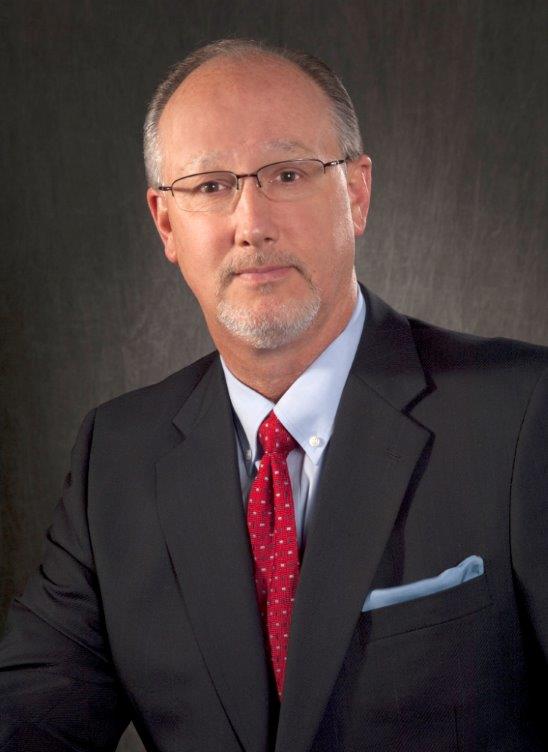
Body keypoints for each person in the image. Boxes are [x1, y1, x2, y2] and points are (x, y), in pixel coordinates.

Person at [0, 38, 546, 752]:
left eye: (287, 174)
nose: (252, 224)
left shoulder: (523, 416)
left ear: (356, 193)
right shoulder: (116, 459)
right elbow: (31, 715)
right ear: (166, 223)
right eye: (209, 186)